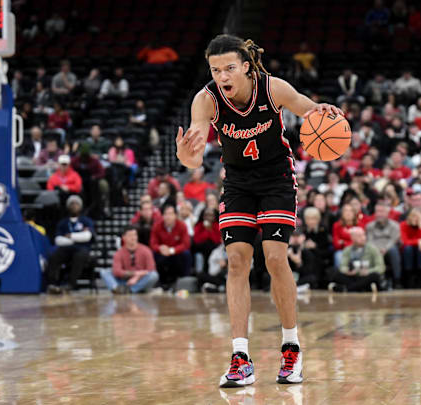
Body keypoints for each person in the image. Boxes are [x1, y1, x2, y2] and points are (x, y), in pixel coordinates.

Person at [175, 34, 343, 387]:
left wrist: (324, 111)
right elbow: (192, 153)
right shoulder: (206, 100)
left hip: (276, 178)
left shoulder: (272, 88)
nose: (222, 75)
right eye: (216, 69)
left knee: (274, 257)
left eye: (229, 68)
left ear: (247, 67)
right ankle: (240, 356)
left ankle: (291, 347)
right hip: (237, 182)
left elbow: (308, 108)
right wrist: (185, 154)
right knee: (236, 259)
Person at [45, 195, 94, 294]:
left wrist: (70, 236)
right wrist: (77, 238)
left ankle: (70, 284)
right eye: (72, 204)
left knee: (79, 256)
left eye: (76, 204)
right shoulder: (63, 222)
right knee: (54, 256)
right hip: (66, 249)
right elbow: (58, 240)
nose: (74, 206)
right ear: (68, 206)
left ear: (81, 206)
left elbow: (87, 236)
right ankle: (52, 284)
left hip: (82, 249)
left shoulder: (86, 221)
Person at [100, 225, 159, 294]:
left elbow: (151, 269)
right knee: (105, 272)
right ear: (124, 237)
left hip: (140, 281)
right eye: (130, 235)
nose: (133, 238)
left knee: (154, 275)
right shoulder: (119, 253)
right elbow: (116, 271)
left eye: (135, 235)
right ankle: (116, 288)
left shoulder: (146, 250)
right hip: (124, 281)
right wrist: (134, 273)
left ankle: (131, 290)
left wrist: (137, 277)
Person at [327, 227, 384, 292]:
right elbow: (342, 266)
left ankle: (347, 289)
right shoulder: (347, 250)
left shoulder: (373, 249)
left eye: (364, 235)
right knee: (333, 272)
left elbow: (381, 267)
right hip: (353, 276)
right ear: (352, 238)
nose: (363, 238)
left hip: (366, 276)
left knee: (375, 276)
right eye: (359, 236)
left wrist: (368, 271)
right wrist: (347, 271)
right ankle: (361, 288)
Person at [149, 205, 191, 290]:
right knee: (153, 253)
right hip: (162, 252)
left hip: (176, 253)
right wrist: (160, 248)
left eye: (170, 214)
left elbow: (186, 244)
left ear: (175, 215)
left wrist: (172, 250)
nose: (168, 217)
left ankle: (184, 279)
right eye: (166, 214)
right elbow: (153, 243)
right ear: (162, 216)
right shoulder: (157, 226)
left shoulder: (182, 225)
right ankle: (159, 280)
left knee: (186, 254)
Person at [366, 200, 402, 287]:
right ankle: (373, 280)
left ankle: (397, 280)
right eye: (377, 211)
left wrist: (385, 249)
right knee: (368, 250)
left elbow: (393, 240)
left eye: (381, 211)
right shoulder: (369, 226)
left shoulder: (395, 225)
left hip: (389, 249)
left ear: (387, 213)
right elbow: (370, 241)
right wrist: (377, 250)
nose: (378, 214)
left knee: (393, 250)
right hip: (375, 249)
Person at [400, 208, 421, 288]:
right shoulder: (404, 225)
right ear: (409, 217)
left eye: (417, 217)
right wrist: (418, 241)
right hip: (407, 251)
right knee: (408, 249)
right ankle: (409, 278)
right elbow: (404, 241)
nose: (415, 219)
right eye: (413, 216)